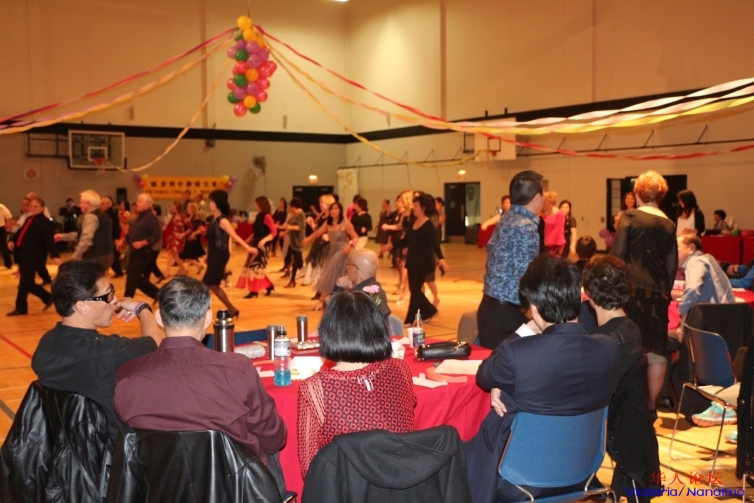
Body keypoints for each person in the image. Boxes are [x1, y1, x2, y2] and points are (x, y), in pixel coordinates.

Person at [466, 255, 620, 503]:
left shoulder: (517, 355)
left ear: (534, 308)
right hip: (581, 471)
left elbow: (485, 375)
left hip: (518, 478)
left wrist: (526, 330)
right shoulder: (609, 349)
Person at [113, 276, 287, 489]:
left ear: (159, 317)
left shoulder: (127, 376)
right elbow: (274, 438)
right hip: (232, 490)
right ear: (208, 317)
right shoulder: (237, 370)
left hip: (161, 490)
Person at [31, 260, 163, 442]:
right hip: (112, 451)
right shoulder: (108, 352)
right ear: (82, 306)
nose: (114, 300)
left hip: (64, 447)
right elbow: (159, 344)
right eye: (107, 295)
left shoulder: (46, 344)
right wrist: (142, 308)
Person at [297, 291, 416, 477]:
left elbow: (310, 470)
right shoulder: (400, 369)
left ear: (329, 332)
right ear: (378, 328)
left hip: (351, 488)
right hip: (406, 481)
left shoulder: (315, 388)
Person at [582, 256, 660, 501]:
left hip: (619, 434)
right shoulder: (630, 329)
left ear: (588, 294)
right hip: (633, 431)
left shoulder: (604, 342)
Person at [610, 170, 677, 412]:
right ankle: (650, 407)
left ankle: (627, 405)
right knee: (657, 350)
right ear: (661, 196)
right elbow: (671, 266)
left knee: (627, 345)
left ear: (637, 194)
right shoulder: (669, 224)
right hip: (657, 293)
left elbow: (617, 256)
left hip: (631, 291)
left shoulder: (629, 217)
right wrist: (664, 292)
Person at [477, 171, 543, 349]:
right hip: (506, 316)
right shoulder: (525, 226)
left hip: (491, 309)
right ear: (537, 198)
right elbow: (526, 274)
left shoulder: (507, 218)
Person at [203, 189, 257, 317]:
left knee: (207, 285)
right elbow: (212, 240)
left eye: (212, 201)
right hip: (214, 254)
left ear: (218, 203)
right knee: (212, 285)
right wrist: (207, 255)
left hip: (220, 255)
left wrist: (247, 247)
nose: (210, 204)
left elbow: (234, 235)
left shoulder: (223, 220)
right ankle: (232, 310)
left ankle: (200, 312)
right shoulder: (214, 219)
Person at [398, 194, 448, 324]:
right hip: (412, 261)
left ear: (423, 208)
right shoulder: (412, 222)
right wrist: (391, 245)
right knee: (414, 289)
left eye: (416, 206)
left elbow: (434, 244)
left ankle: (412, 319)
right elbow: (407, 240)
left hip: (423, 262)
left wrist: (441, 259)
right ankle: (430, 311)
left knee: (415, 291)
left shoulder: (428, 225)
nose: (413, 208)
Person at [672, 234, 735, 337]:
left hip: (708, 328)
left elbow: (692, 289)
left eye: (676, 249)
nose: (672, 254)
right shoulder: (707, 259)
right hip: (724, 323)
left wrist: (682, 324)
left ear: (691, 248)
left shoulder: (695, 262)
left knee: (660, 338)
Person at [7, 196, 60, 316]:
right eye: (31, 206)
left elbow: (49, 241)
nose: (33, 208)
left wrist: (55, 256)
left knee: (23, 283)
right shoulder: (30, 218)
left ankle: (21, 308)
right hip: (25, 255)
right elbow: (21, 232)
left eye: (36, 206)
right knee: (28, 283)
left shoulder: (45, 222)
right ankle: (48, 297)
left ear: (42, 208)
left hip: (35, 256)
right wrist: (12, 241)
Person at [304, 201, 359, 310]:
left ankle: (321, 300)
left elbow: (355, 237)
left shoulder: (346, 223)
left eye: (336, 208)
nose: (333, 211)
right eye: (332, 209)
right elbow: (318, 233)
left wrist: (350, 245)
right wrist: (308, 239)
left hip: (342, 252)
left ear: (340, 210)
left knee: (330, 275)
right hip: (332, 252)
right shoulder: (327, 224)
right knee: (337, 277)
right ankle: (340, 302)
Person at [54, 189, 114, 269]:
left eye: (81, 202)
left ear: (88, 203)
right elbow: (91, 234)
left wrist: (76, 257)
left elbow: (86, 238)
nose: (79, 205)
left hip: (95, 256)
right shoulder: (103, 215)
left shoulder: (91, 217)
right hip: (107, 254)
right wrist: (64, 237)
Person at [123, 193, 163, 301]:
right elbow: (133, 232)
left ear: (147, 204)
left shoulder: (151, 218)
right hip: (135, 251)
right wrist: (123, 240)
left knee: (132, 278)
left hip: (143, 252)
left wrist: (143, 243)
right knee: (135, 279)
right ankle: (159, 295)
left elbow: (157, 235)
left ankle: (127, 302)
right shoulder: (140, 216)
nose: (137, 203)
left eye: (140, 201)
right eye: (137, 201)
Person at [334, 248, 391, 321]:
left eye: (348, 266)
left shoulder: (357, 298)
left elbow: (332, 319)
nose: (346, 269)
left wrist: (338, 287)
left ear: (354, 270)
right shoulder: (378, 291)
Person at [243, 196, 277, 298]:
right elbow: (257, 230)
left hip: (263, 246)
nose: (255, 205)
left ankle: (254, 291)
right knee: (253, 267)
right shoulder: (259, 216)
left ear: (261, 204)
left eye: (256, 203)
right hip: (255, 243)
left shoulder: (267, 216)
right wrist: (250, 237)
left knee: (256, 267)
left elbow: (274, 232)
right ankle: (269, 286)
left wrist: (264, 240)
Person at [302, 193, 335, 288]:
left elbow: (334, 231)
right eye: (320, 202)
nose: (320, 204)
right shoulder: (322, 215)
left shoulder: (331, 217)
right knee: (316, 265)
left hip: (326, 245)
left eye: (322, 202)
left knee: (323, 266)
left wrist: (328, 236)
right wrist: (312, 224)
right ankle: (318, 287)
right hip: (319, 243)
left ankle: (323, 287)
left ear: (328, 203)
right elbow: (318, 230)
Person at [282, 197, 306, 288]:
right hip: (293, 241)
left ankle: (293, 280)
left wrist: (289, 227)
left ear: (293, 206)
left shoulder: (301, 214)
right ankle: (304, 273)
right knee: (295, 260)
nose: (289, 208)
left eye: (290, 206)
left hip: (297, 241)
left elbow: (301, 227)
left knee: (296, 261)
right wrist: (286, 231)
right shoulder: (296, 215)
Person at [162, 200, 191, 276]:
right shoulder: (173, 216)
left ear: (177, 207)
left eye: (173, 206)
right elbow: (168, 226)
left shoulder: (183, 216)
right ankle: (177, 270)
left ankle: (171, 271)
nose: (172, 207)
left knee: (174, 254)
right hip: (173, 237)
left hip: (179, 238)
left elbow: (190, 227)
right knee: (172, 255)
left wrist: (183, 234)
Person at [179, 202, 206, 275]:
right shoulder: (187, 218)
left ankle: (183, 270)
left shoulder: (197, 219)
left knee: (186, 255)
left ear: (192, 209)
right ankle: (197, 267)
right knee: (186, 256)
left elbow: (202, 230)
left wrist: (194, 233)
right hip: (187, 239)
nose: (187, 209)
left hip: (192, 240)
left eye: (188, 208)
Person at [100, 196, 124, 277]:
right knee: (113, 255)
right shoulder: (109, 213)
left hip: (112, 237)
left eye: (102, 204)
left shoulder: (111, 213)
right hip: (111, 237)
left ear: (107, 204)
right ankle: (119, 271)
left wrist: (116, 238)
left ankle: (119, 271)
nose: (101, 206)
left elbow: (115, 227)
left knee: (113, 255)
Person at [541, 191, 566, 258]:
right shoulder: (543, 215)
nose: (543, 203)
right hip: (546, 245)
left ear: (550, 202)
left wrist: (548, 242)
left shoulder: (560, 214)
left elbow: (558, 231)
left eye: (545, 201)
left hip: (556, 245)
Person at [0, 201, 13, 269]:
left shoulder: (1, 207)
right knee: (3, 246)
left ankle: (8, 263)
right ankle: (8, 264)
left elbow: (9, 217)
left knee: (3, 246)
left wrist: (8, 225)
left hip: (1, 228)